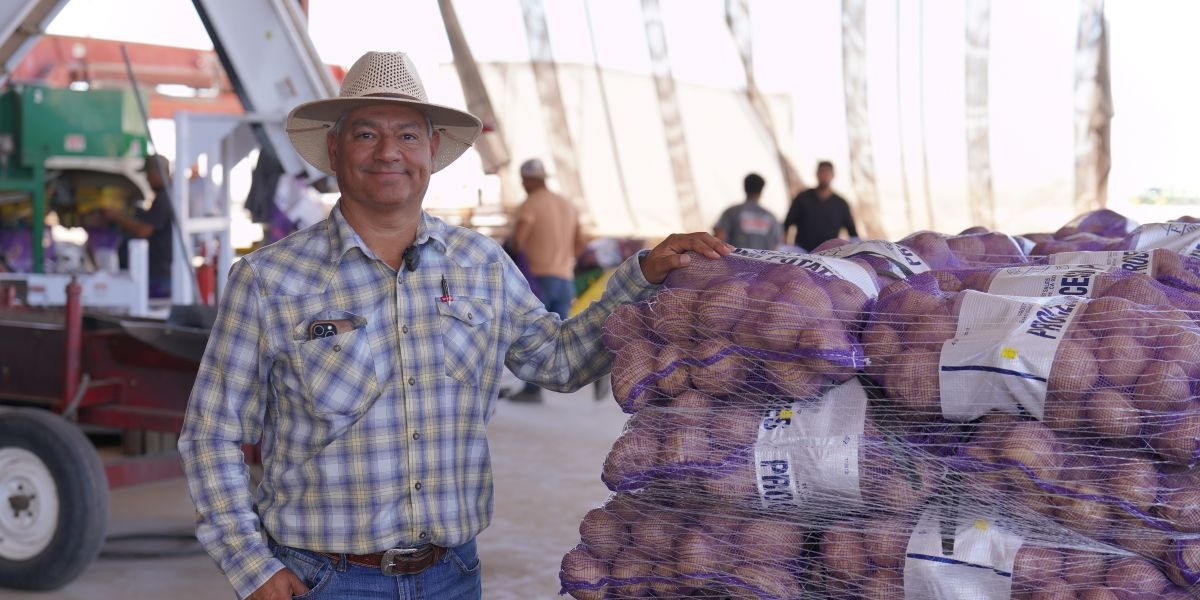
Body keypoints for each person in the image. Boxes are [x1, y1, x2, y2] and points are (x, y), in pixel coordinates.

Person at [178, 50, 729, 600]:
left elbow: (560, 360)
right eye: (367, 134)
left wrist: (642, 277)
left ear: (432, 150)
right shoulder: (269, 279)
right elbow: (212, 434)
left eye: (409, 136)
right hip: (321, 580)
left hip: (452, 578)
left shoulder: (481, 264)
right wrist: (251, 567)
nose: (390, 152)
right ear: (334, 149)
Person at [506, 157, 585, 403]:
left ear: (528, 181)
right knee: (557, 337)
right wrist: (564, 260)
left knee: (531, 336)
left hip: (539, 277)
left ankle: (532, 391)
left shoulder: (530, 204)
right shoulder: (567, 205)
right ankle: (560, 380)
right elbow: (580, 243)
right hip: (564, 278)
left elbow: (518, 241)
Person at [105, 154, 175, 297]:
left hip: (158, 275)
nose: (147, 179)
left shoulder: (164, 198)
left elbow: (144, 231)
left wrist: (117, 217)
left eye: (148, 174)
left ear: (157, 173)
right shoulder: (170, 194)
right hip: (161, 273)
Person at [782, 160, 858, 251]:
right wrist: (786, 249)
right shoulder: (802, 198)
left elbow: (853, 234)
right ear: (817, 174)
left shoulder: (841, 204)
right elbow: (786, 225)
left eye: (827, 172)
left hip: (828, 255)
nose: (824, 175)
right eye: (822, 172)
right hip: (802, 253)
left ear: (833, 175)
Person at [712, 172, 781, 250]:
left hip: (734, 261)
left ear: (744, 187)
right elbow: (775, 247)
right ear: (761, 190)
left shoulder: (731, 212)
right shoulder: (771, 217)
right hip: (763, 262)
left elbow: (718, 239)